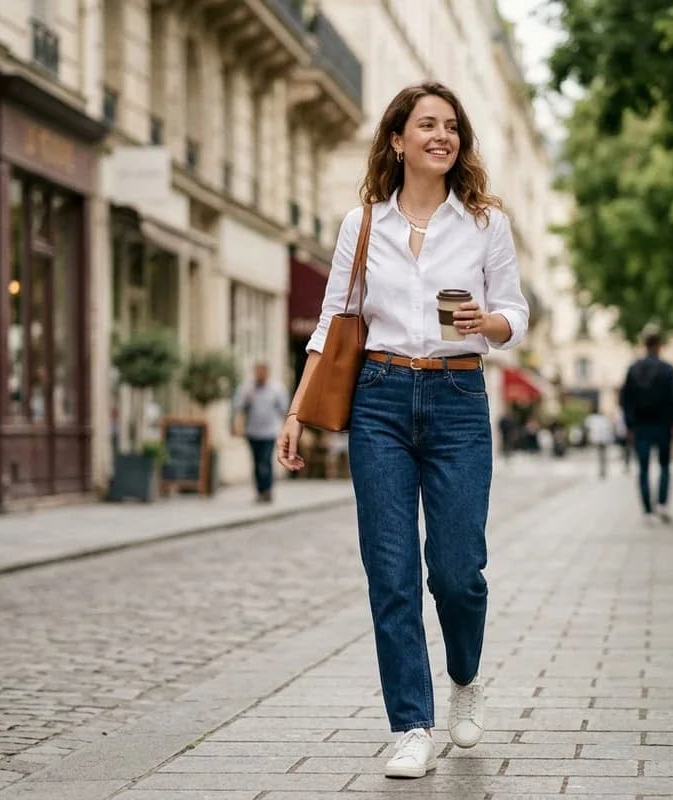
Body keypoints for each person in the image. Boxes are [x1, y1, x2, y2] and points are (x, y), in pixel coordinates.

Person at [276, 82, 529, 780]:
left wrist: (489, 323)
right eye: (426, 124)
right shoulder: (361, 226)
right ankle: (411, 724)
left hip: (456, 397)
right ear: (397, 140)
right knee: (390, 574)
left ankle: (467, 677)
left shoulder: (485, 224)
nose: (441, 135)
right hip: (380, 399)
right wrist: (297, 410)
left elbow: (516, 311)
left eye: (451, 125)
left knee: (456, 571)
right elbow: (332, 324)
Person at [620, 326, 673, 523]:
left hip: (640, 426)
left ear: (645, 345)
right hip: (663, 425)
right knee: (665, 466)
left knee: (643, 468)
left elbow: (625, 399)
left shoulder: (633, 369)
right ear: (659, 346)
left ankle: (647, 511)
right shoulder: (668, 369)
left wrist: (629, 425)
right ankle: (662, 504)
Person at [231, 362, 289, 503]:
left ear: (267, 372)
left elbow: (284, 410)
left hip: (270, 432)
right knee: (257, 462)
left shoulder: (277, 389)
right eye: (257, 371)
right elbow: (239, 408)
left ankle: (267, 490)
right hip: (252, 432)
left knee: (265, 461)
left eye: (262, 371)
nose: (259, 374)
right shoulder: (247, 388)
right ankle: (260, 491)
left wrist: (286, 431)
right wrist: (237, 425)